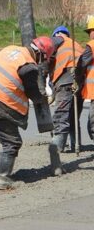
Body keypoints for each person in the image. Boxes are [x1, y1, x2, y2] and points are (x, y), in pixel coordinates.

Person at [0, 37, 56, 189]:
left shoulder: (10, 49)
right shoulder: (29, 66)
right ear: (40, 54)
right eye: (44, 59)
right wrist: (44, 97)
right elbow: (34, 94)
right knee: (12, 142)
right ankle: (4, 178)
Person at [48, 25, 85, 176]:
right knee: (74, 116)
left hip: (64, 82)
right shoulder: (77, 44)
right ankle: (76, 144)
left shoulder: (56, 41)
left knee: (61, 118)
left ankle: (58, 150)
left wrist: (50, 88)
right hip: (79, 83)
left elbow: (48, 66)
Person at [81, 18, 94, 141]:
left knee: (92, 121)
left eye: (90, 31)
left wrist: (75, 74)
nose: (89, 34)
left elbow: (82, 63)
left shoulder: (92, 45)